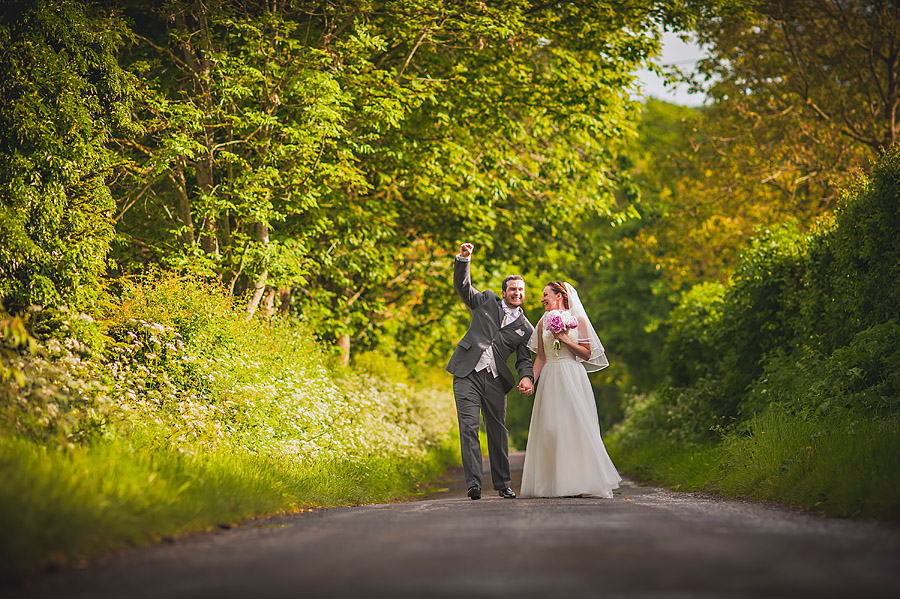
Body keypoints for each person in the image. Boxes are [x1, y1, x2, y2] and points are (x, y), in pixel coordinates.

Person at [446, 243, 535, 500]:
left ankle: (503, 483)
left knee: (497, 432)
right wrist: (464, 260)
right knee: (469, 427)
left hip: (495, 380)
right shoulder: (485, 300)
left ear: (523, 294)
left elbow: (523, 359)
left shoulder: (525, 328)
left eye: (521, 290)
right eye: (512, 289)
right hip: (467, 373)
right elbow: (463, 288)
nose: (516, 293)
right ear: (504, 292)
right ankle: (474, 484)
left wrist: (527, 377)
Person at [519, 281, 621, 498]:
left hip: (572, 376)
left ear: (559, 296)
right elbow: (540, 357)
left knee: (573, 427)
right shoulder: (542, 322)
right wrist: (530, 380)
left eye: (545, 294)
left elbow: (586, 354)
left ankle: (580, 483)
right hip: (550, 378)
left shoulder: (580, 321)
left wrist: (564, 339)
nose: (541, 299)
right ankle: (552, 484)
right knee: (550, 429)